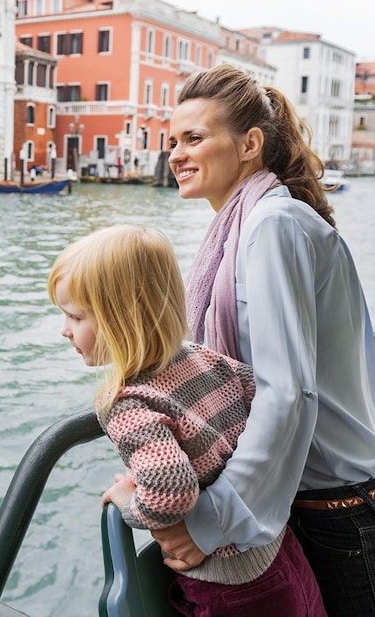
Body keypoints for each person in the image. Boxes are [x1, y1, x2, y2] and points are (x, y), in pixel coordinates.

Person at [151, 62, 375, 617]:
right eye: (172, 141)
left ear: (249, 144)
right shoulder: (251, 224)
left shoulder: (272, 225)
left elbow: (286, 390)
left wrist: (210, 521)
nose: (175, 154)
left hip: (338, 513)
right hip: (316, 504)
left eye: (194, 138)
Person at [47, 224, 326, 617]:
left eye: (75, 316)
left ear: (121, 319)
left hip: (231, 588)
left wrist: (130, 505)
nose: (64, 330)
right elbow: (258, 398)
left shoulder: (127, 403)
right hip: (278, 551)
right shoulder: (201, 358)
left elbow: (170, 488)